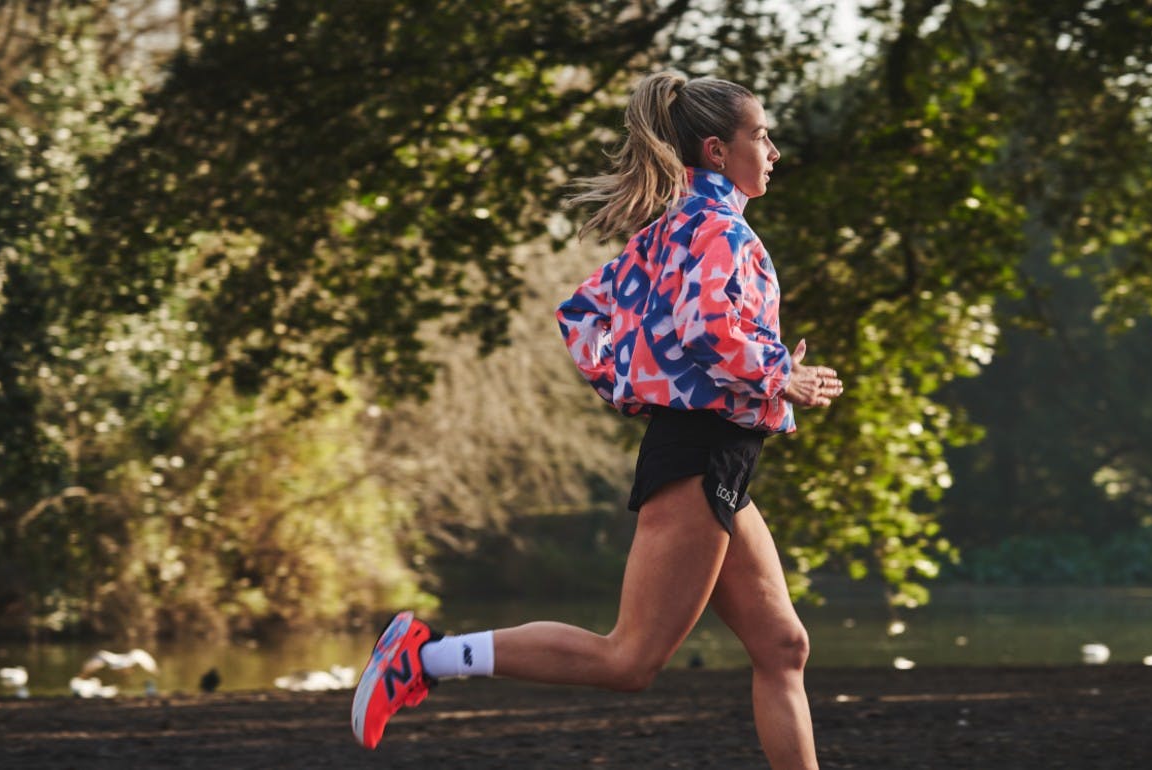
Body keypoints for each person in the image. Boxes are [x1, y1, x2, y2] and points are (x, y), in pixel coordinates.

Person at [351, 71, 843, 770]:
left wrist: (650, 385)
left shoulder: (677, 230)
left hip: (718, 456)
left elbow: (583, 316)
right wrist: (771, 376)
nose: (773, 150)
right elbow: (706, 328)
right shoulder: (716, 230)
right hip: (700, 456)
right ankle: (424, 659)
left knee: (783, 647)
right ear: (714, 149)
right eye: (761, 136)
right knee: (630, 659)